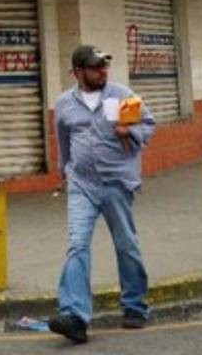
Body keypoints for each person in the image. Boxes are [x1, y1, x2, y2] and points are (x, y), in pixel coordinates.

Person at [48, 44, 156, 345]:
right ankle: (75, 317)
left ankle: (135, 306)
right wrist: (64, 172)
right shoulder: (64, 104)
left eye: (104, 66)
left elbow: (148, 126)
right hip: (82, 184)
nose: (103, 72)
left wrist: (129, 132)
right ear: (78, 72)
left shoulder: (122, 96)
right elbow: (64, 140)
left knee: (126, 245)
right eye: (96, 67)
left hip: (116, 183)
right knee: (77, 245)